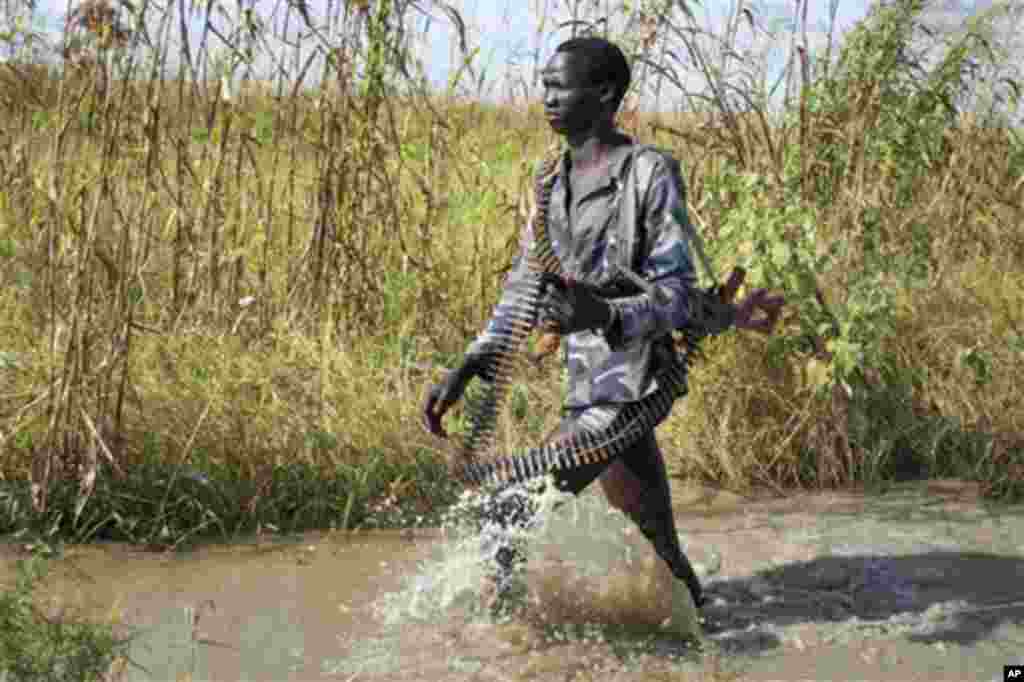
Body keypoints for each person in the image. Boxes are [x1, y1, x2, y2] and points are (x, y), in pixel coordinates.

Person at [422, 37, 784, 618]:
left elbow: (674, 295)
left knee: (507, 504)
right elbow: (526, 284)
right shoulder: (549, 182)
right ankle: (716, 639)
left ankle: (502, 642)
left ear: (605, 94)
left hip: (634, 387)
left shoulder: (648, 173)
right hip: (588, 386)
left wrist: (605, 314)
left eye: (560, 87)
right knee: (659, 548)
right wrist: (473, 359)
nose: (547, 99)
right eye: (544, 86)